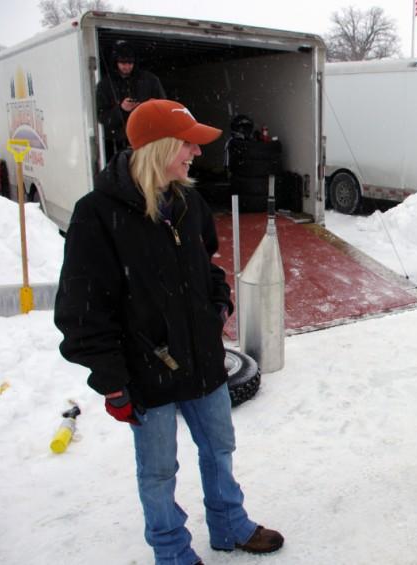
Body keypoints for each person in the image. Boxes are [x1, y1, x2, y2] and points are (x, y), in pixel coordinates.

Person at [54, 99, 283, 565]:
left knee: (219, 448)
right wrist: (113, 381)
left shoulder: (187, 202)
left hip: (203, 360)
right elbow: (81, 311)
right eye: (188, 144)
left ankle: (228, 524)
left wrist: (218, 305)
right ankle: (172, 551)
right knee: (159, 471)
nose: (196, 154)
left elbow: (206, 268)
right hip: (145, 372)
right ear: (159, 148)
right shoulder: (97, 214)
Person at [96, 40, 166, 161]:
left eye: (130, 63)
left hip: (147, 141)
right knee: (123, 176)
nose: (127, 66)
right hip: (117, 145)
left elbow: (164, 108)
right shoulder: (105, 85)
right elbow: (102, 117)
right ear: (115, 62)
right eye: (123, 63)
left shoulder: (150, 80)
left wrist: (149, 106)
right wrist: (121, 109)